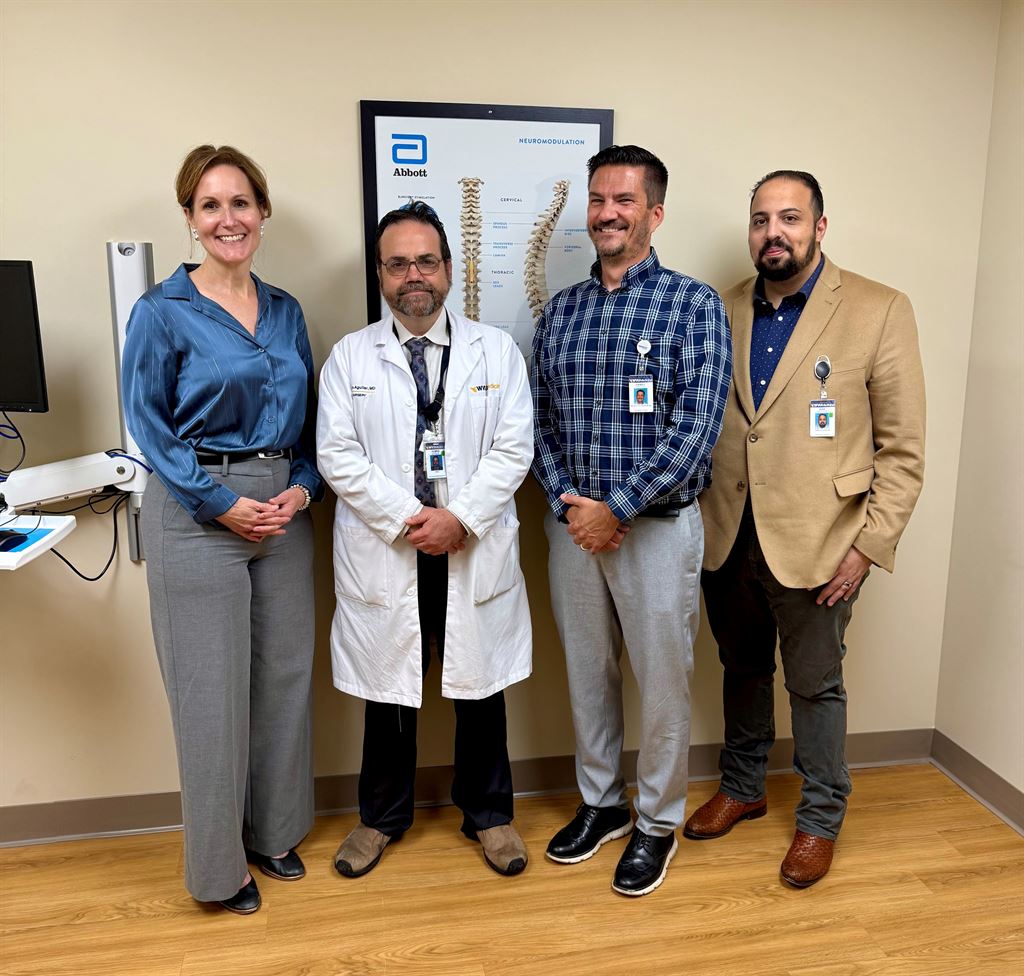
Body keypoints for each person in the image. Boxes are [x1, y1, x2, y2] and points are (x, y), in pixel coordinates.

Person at [686, 170, 926, 887]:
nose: (773, 233)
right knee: (742, 668)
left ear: (820, 227)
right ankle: (743, 786)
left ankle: (820, 819)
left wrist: (869, 545)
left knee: (816, 686)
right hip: (728, 532)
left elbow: (904, 450)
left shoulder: (879, 310)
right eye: (760, 220)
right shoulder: (719, 308)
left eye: (789, 218)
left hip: (824, 542)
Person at [122, 145, 323, 914]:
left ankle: (272, 835)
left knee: (283, 680)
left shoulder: (286, 311)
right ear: (190, 220)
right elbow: (150, 427)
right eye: (211, 206)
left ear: (262, 214)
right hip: (195, 509)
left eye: (240, 203)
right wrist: (219, 502)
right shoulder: (161, 311)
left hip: (284, 513)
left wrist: (300, 492)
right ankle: (218, 871)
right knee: (210, 699)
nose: (228, 219)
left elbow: (306, 434)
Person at [532, 146, 732, 897]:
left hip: (657, 530)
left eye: (623, 200)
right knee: (588, 675)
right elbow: (538, 423)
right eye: (597, 199)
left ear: (654, 212)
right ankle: (602, 804)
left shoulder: (693, 305)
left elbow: (695, 431)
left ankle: (655, 822)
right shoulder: (563, 313)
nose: (606, 213)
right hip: (572, 530)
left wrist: (615, 509)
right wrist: (573, 507)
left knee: (663, 684)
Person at [317, 202, 533, 878]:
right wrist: (410, 517)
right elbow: (336, 454)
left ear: (448, 269)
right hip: (391, 549)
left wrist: (459, 518)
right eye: (398, 263)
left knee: (480, 686)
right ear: (381, 274)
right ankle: (380, 819)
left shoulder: (494, 351)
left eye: (426, 261)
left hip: (470, 545)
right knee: (389, 691)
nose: (414, 274)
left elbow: (513, 447)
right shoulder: (350, 357)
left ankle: (490, 815)